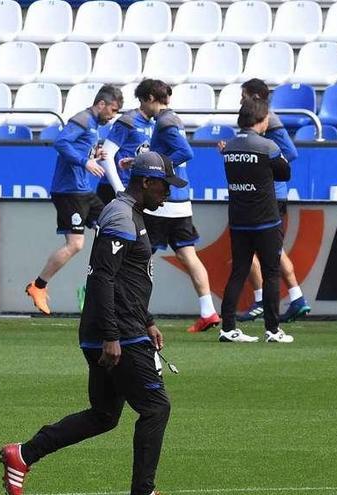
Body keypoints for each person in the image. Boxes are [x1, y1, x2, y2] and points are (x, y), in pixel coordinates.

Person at [0, 151, 180, 495]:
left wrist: (148, 321)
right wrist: (113, 335)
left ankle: (22, 455)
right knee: (156, 408)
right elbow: (102, 278)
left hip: (124, 327)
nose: (168, 193)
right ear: (146, 182)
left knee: (104, 415)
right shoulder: (121, 215)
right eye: (164, 186)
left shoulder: (132, 214)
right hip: (118, 334)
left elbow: (129, 279)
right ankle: (144, 491)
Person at [25, 85, 123, 315]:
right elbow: (61, 143)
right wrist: (85, 161)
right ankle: (38, 286)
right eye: (113, 109)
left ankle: (100, 285)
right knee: (76, 244)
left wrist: (93, 155)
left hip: (83, 191)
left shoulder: (94, 125)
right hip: (68, 191)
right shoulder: (82, 119)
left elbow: (78, 146)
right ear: (101, 104)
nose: (113, 115)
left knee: (112, 227)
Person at [136, 79, 220, 333]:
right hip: (181, 201)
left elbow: (185, 152)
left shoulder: (164, 121)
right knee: (188, 255)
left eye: (141, 101)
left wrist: (157, 170)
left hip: (165, 203)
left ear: (151, 98)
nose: (141, 107)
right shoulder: (172, 119)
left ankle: (134, 312)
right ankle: (208, 312)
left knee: (137, 258)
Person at [234, 79, 311, 324]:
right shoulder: (258, 121)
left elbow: (290, 153)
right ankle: (296, 298)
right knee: (272, 250)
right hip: (266, 194)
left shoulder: (270, 121)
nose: (240, 100)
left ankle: (261, 300)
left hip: (269, 195)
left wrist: (264, 165)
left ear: (255, 97)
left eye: (243, 95)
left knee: (257, 249)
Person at [219, 98, 294, 344]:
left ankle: (228, 328)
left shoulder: (228, 147)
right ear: (262, 121)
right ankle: (272, 330)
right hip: (265, 220)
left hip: (239, 220)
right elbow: (285, 172)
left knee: (238, 272)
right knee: (271, 273)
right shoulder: (268, 146)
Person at [96, 84, 155, 205]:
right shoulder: (128, 120)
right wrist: (119, 189)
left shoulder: (153, 124)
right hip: (115, 189)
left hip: (137, 188)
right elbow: (105, 156)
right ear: (149, 100)